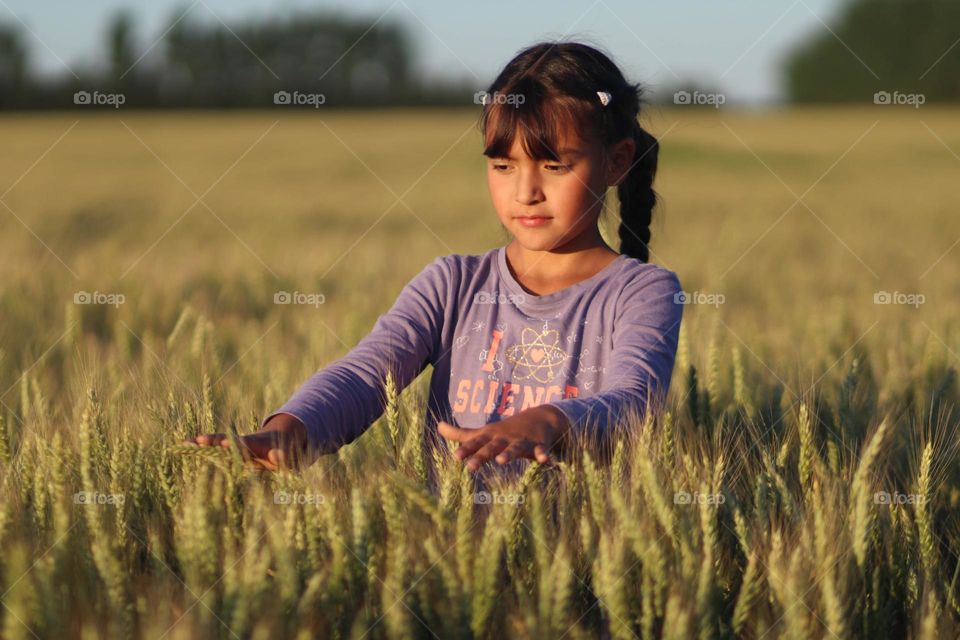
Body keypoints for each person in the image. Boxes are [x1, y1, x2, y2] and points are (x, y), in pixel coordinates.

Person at [184, 41, 684, 474]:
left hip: (581, 565)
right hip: (451, 554)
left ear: (617, 161)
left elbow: (635, 402)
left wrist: (552, 421)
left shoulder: (641, 292)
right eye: (504, 165)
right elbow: (365, 374)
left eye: (555, 165)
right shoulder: (452, 284)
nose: (526, 191)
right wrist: (291, 430)